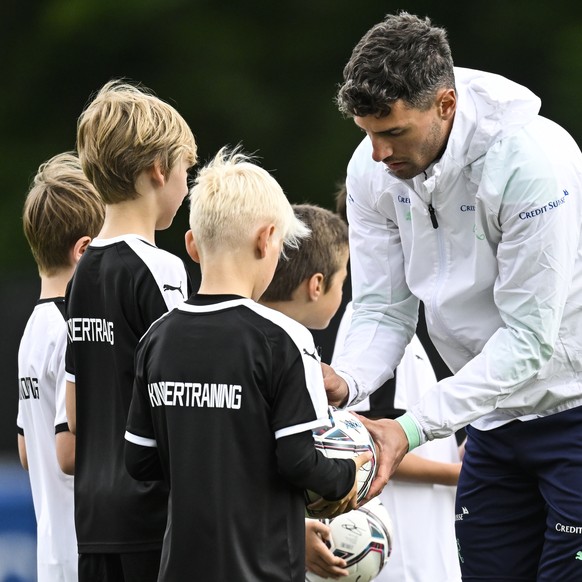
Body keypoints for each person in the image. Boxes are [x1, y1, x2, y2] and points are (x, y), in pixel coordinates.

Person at [323, 11, 582, 580]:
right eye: (367, 133)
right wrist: (348, 380)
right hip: (489, 422)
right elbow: (382, 306)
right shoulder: (372, 169)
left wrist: (409, 429)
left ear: (445, 104)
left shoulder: (532, 162)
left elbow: (528, 339)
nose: (377, 153)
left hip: (572, 412)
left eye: (393, 132)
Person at [123, 148, 369, 582]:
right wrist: (348, 474)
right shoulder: (285, 339)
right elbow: (298, 462)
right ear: (267, 239)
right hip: (262, 567)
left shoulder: (156, 339)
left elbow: (140, 461)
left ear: (192, 245)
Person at [263, 202, 461, 581]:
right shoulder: (373, 329)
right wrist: (458, 472)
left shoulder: (407, 317)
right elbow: (367, 441)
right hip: (398, 552)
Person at [64, 80, 197, 582]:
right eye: (187, 170)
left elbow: (75, 413)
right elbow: (183, 393)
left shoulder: (82, 273)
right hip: (151, 514)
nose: (187, 188)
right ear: (158, 170)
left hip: (93, 517)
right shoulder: (160, 268)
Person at [17, 152, 105, 581]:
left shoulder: (32, 328)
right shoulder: (74, 330)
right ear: (85, 250)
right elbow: (65, 451)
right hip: (87, 552)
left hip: (51, 557)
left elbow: (27, 452)